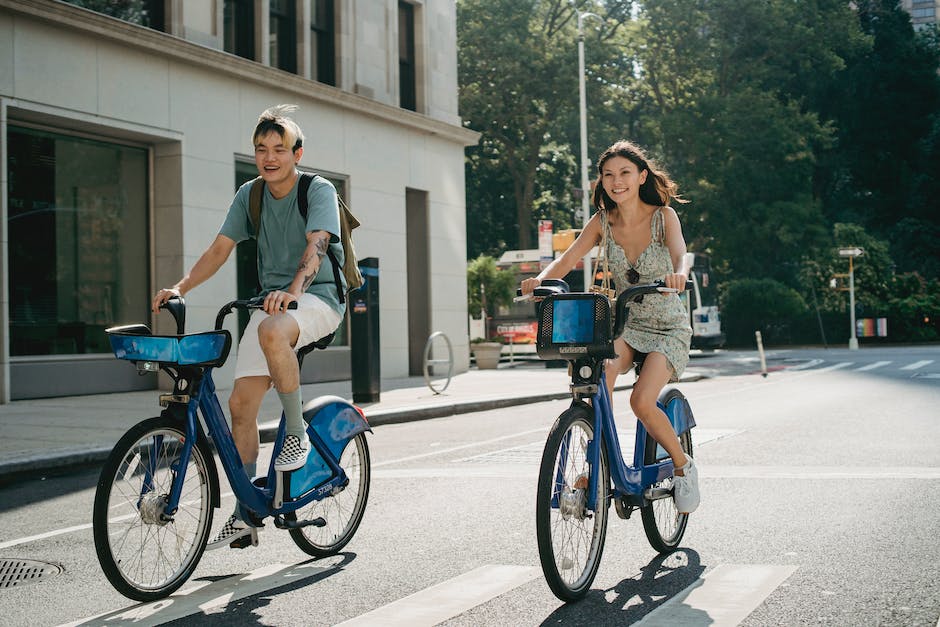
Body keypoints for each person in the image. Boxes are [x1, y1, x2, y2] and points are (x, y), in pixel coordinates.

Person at [152, 104, 346, 548]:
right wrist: (181, 286)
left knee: (272, 331)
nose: (270, 156)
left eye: (280, 148)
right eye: (262, 149)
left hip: (316, 299)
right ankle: (248, 514)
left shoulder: (317, 190)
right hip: (272, 304)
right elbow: (220, 249)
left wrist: (296, 287)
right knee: (240, 407)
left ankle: (294, 432)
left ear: (298, 152)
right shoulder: (250, 195)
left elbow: (317, 245)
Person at [521, 139, 700, 513]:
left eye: (624, 173)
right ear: (601, 181)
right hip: (625, 323)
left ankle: (683, 467)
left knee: (640, 401)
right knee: (598, 380)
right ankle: (596, 464)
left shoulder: (662, 216)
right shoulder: (602, 222)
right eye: (608, 175)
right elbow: (567, 259)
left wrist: (680, 274)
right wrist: (540, 282)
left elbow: (681, 253)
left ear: (641, 177)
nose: (616, 181)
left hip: (667, 326)